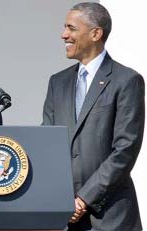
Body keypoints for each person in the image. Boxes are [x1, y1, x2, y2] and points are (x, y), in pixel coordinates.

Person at [42, 2, 144, 231]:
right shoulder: (57, 83)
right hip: (64, 216)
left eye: (71, 28)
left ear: (96, 33)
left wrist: (84, 199)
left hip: (110, 217)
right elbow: (47, 144)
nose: (63, 35)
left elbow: (125, 149)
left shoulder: (126, 81)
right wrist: (59, 200)